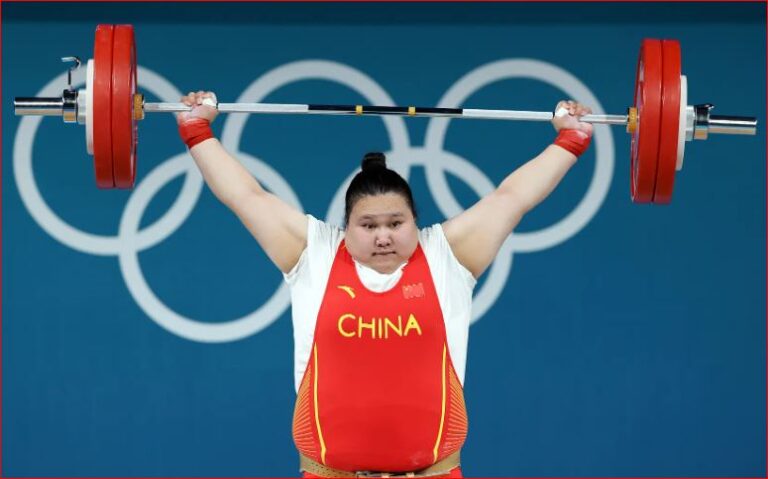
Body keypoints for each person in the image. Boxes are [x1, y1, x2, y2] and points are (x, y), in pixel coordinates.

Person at [176, 91, 593, 478]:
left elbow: (511, 198)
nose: (383, 237)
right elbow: (247, 196)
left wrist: (570, 140)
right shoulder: (316, 254)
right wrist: (197, 131)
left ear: (414, 220)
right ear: (346, 226)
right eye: (368, 225)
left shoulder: (446, 256)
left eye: (396, 223)